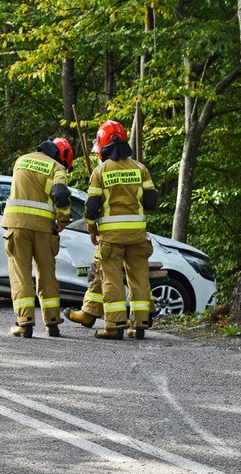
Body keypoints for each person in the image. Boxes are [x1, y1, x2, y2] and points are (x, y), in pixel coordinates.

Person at [82, 120, 158, 340]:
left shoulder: (100, 171)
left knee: (112, 279)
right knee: (139, 278)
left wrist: (91, 228)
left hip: (111, 238)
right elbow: (151, 201)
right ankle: (140, 323)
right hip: (137, 236)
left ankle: (114, 326)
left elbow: (92, 206)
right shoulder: (140, 168)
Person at [1, 137, 74, 338]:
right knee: (47, 273)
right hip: (44, 229)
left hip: (16, 225)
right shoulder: (57, 167)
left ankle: (24, 323)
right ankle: (52, 323)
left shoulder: (21, 160)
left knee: (21, 274)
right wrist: (63, 219)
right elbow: (60, 193)